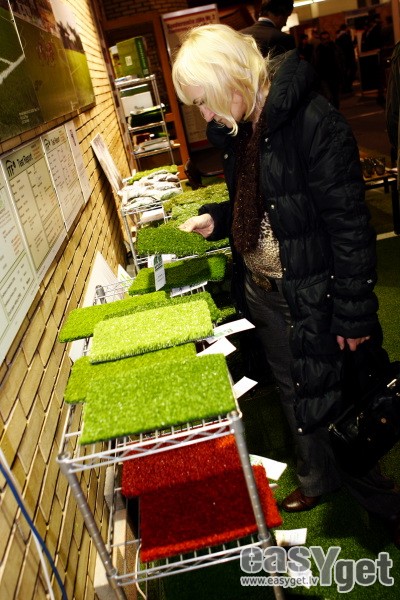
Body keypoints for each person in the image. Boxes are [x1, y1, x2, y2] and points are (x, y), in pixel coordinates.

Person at [172, 23, 400, 546]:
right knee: (296, 394)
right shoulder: (244, 128)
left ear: (230, 79)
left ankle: (382, 503)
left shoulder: (312, 122)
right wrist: (218, 217)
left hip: (314, 291)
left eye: (203, 101)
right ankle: (318, 480)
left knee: (342, 401)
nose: (204, 116)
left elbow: (350, 227)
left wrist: (353, 313)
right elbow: (264, 203)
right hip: (265, 289)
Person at [313, 30, 342, 109]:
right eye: (324, 39)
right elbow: (315, 63)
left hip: (335, 75)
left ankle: (336, 110)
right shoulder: (318, 50)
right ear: (321, 40)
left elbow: (340, 59)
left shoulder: (334, 47)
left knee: (335, 96)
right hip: (324, 77)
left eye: (327, 38)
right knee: (329, 96)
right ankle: (333, 111)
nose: (326, 41)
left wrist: (341, 71)